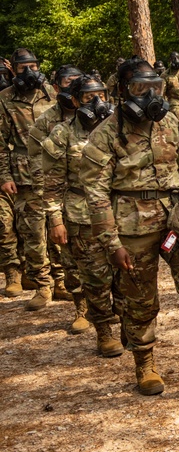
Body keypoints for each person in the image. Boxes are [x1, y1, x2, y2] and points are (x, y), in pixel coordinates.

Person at [79, 57, 179, 395]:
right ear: (122, 91)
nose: (149, 96)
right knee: (140, 300)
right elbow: (96, 193)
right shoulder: (106, 133)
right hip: (132, 226)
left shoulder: (172, 122)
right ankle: (145, 366)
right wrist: (111, 242)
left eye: (154, 88)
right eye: (139, 88)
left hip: (177, 219)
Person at [41, 75, 124, 353]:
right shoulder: (62, 134)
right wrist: (55, 220)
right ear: (75, 101)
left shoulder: (120, 128)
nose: (97, 102)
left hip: (119, 213)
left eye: (101, 94)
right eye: (89, 97)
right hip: (81, 215)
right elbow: (51, 183)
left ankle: (128, 323)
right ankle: (104, 330)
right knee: (95, 277)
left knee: (126, 275)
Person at [0, 49, 61, 309]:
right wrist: (4, 175)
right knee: (33, 234)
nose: (30, 72)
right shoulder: (4, 98)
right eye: (23, 67)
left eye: (34, 66)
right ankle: (42, 286)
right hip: (24, 174)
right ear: (13, 69)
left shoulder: (52, 93)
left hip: (55, 172)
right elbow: (1, 143)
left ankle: (62, 282)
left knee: (59, 229)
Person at [25, 64, 84, 318]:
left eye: (77, 82)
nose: (72, 87)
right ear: (57, 87)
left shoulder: (102, 117)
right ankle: (53, 287)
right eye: (67, 83)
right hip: (55, 190)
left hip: (92, 196)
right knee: (55, 243)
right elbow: (36, 158)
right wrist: (49, 197)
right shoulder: (47, 120)